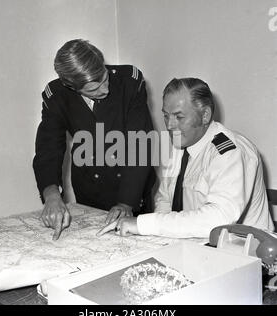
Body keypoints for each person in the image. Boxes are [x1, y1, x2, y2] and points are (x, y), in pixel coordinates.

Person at [97, 77, 274, 238]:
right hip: (196, 247)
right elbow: (164, 199)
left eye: (178, 117)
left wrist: (144, 224)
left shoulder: (230, 152)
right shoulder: (179, 143)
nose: (169, 125)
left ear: (205, 115)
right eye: (166, 116)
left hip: (246, 254)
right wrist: (157, 237)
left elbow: (219, 220)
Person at [33, 39, 155, 240]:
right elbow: (49, 149)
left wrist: (126, 203)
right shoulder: (57, 95)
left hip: (131, 185)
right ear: (70, 86)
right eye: (93, 89)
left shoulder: (129, 82)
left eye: (105, 79)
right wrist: (51, 194)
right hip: (90, 189)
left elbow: (140, 146)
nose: (105, 89)